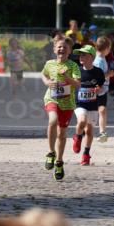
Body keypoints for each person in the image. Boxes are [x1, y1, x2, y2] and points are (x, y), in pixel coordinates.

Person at [41, 35, 81, 182]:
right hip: (52, 99)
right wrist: (47, 82)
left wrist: (67, 77)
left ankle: (59, 161)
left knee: (62, 134)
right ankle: (51, 152)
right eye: (59, 46)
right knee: (53, 120)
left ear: (69, 51)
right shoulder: (49, 64)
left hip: (68, 103)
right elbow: (44, 74)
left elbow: (77, 85)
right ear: (54, 49)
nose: (62, 48)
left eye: (65, 47)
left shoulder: (73, 66)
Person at [71, 45, 105, 167]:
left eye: (84, 55)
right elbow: (73, 84)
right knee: (82, 121)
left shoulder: (98, 72)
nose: (81, 57)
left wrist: (98, 89)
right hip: (79, 103)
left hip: (93, 105)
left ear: (91, 57)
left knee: (90, 131)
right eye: (80, 55)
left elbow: (100, 87)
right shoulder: (77, 70)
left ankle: (86, 154)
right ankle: (78, 137)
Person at [93, 35, 111, 143]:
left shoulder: (102, 58)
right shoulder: (98, 60)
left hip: (103, 89)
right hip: (98, 89)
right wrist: (109, 74)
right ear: (107, 48)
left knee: (102, 111)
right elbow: (98, 76)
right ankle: (98, 130)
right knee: (98, 111)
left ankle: (102, 132)